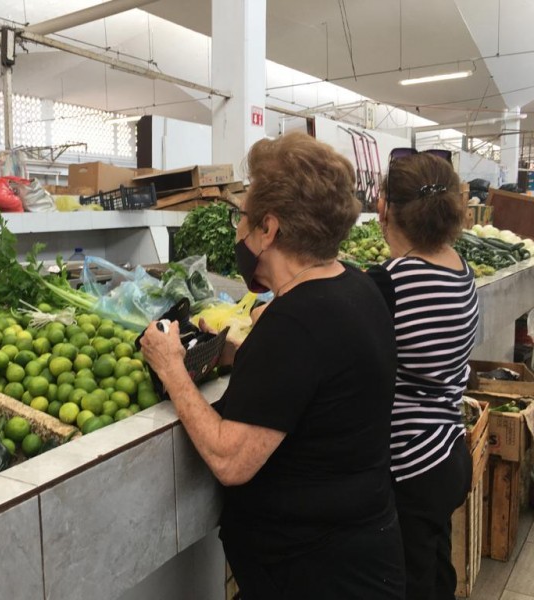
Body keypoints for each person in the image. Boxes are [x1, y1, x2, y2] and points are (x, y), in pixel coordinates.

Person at [140, 132, 405, 599]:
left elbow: (230, 459)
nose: (237, 231)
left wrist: (172, 369)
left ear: (269, 229)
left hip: (316, 574)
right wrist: (232, 353)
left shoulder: (296, 320)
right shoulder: (358, 289)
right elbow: (317, 383)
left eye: (241, 216)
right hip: (357, 553)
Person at [369, 149, 478, 600]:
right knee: (435, 573)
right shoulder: (461, 270)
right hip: (448, 452)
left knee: (408, 583)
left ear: (383, 208)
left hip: (409, 466)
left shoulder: (389, 283)